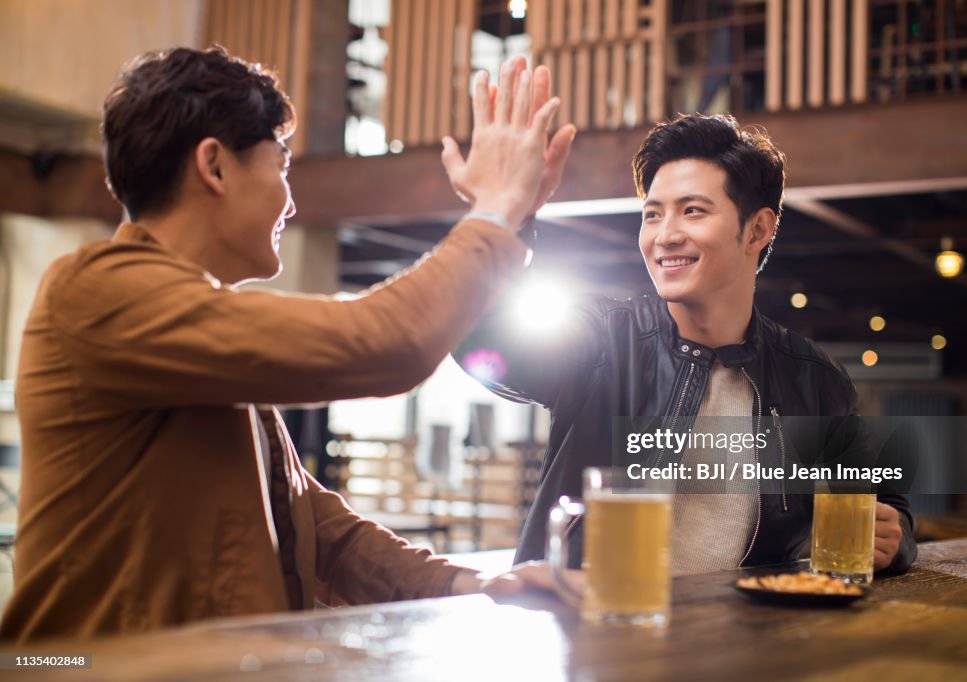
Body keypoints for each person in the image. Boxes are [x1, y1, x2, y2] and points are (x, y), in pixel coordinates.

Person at [1, 47, 577, 642]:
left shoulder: (199, 324)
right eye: (281, 166)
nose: (292, 202)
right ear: (214, 166)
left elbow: (312, 526)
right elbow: (384, 342)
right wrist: (495, 212)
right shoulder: (101, 291)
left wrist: (473, 584)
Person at [454, 113, 917, 574]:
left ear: (757, 230)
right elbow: (477, 340)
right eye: (652, 214)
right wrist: (501, 219)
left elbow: (888, 509)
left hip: (750, 620)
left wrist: (894, 539)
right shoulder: (603, 340)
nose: (665, 236)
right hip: (591, 614)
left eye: (692, 210)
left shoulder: (814, 379)